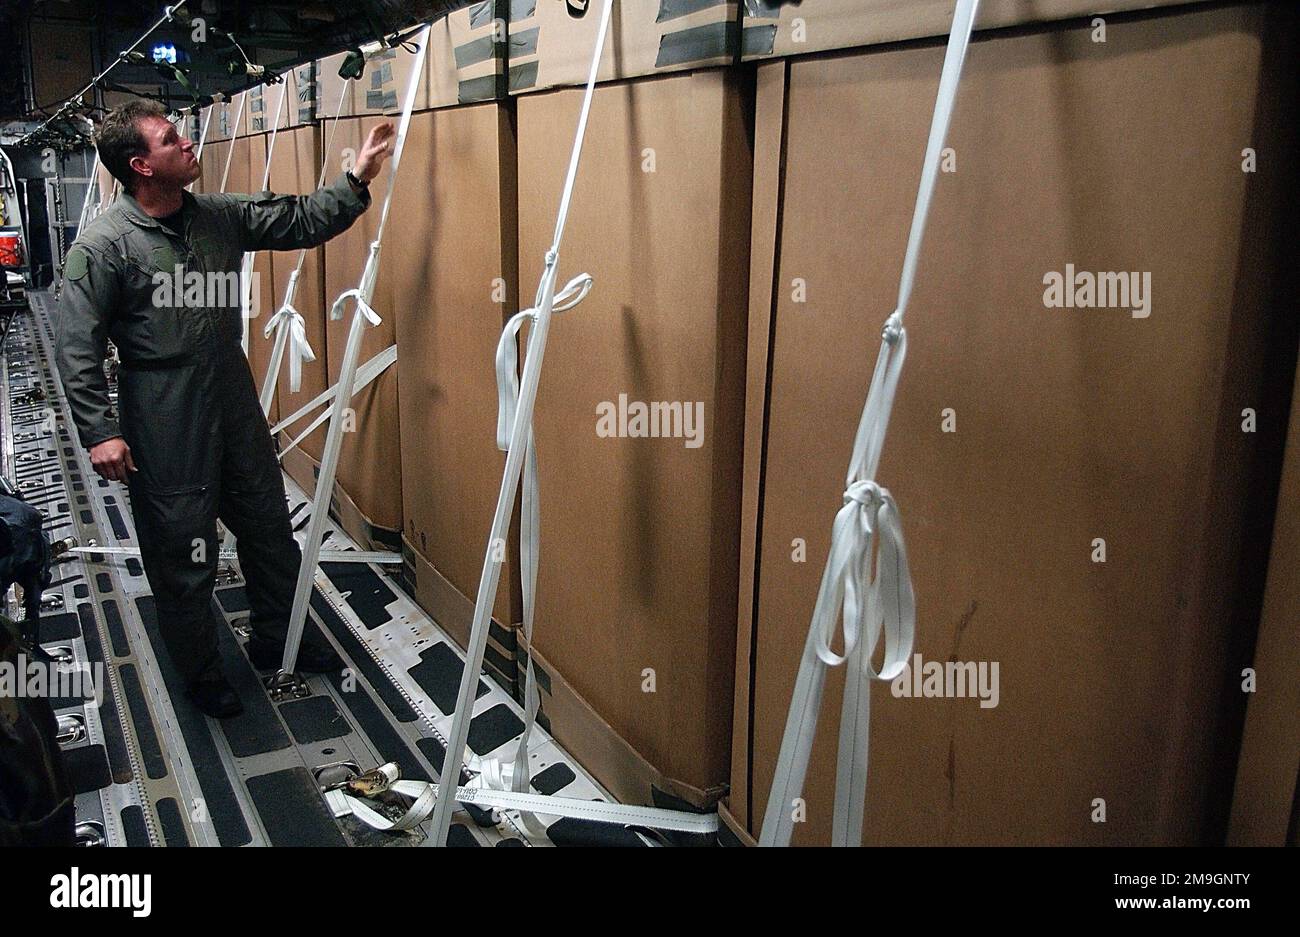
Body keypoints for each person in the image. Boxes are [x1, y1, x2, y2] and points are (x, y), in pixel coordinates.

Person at [55, 99, 395, 718]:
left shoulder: (216, 216)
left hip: (228, 389)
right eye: (170, 139)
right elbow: (76, 342)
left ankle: (280, 638)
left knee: (267, 524)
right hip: (162, 405)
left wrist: (357, 180)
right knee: (182, 545)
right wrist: (101, 431)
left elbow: (298, 219)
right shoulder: (105, 246)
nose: (187, 144)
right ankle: (202, 672)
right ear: (141, 165)